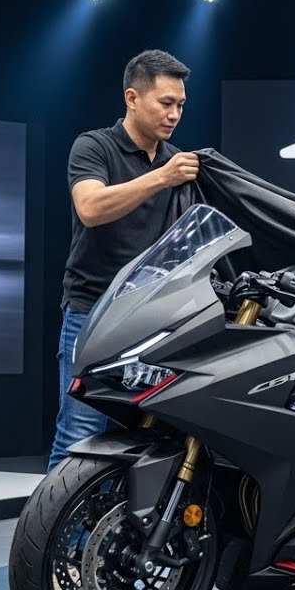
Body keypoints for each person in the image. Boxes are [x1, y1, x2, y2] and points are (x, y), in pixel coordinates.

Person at [48, 49, 200, 473]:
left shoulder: (177, 163)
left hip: (152, 319)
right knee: (78, 434)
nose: (174, 115)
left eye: (180, 105)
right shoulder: (94, 146)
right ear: (132, 98)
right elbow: (91, 208)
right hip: (92, 312)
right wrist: (163, 176)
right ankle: (52, 520)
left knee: (145, 434)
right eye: (165, 103)